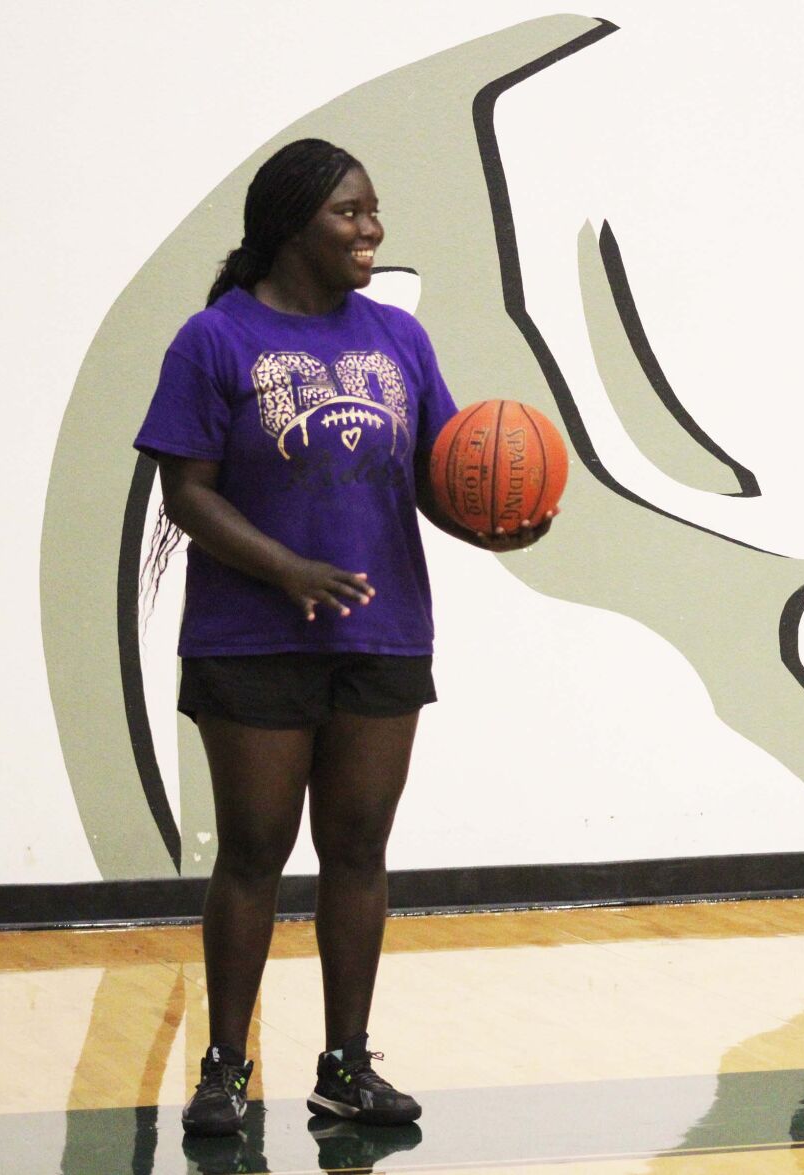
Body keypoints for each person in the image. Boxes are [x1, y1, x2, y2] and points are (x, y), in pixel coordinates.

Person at [135, 139, 551, 1137]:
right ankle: (227, 1068)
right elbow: (183, 490)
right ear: (290, 225)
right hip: (251, 638)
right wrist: (283, 568)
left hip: (382, 629)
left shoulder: (398, 340)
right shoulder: (214, 340)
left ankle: (344, 1066)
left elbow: (443, 477)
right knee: (253, 853)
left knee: (358, 849)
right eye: (348, 213)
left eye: (373, 211)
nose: (370, 229)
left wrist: (503, 517)